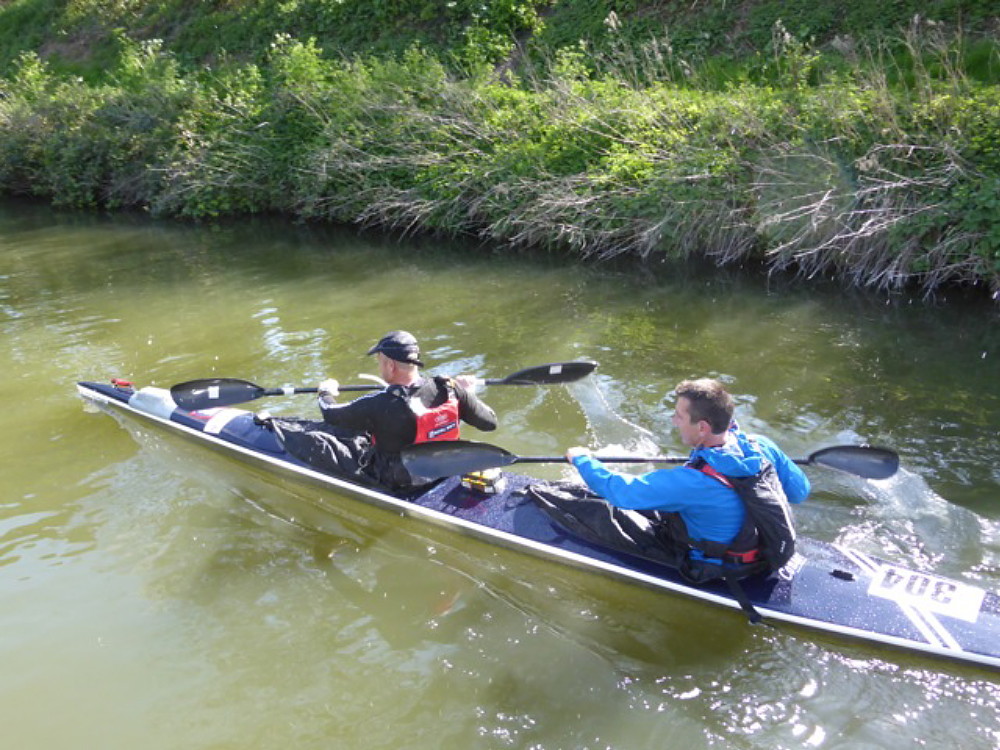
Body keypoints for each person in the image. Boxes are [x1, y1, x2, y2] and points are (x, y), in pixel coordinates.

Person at [557, 378, 810, 585]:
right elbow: (799, 492)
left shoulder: (691, 482)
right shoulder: (761, 446)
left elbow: (622, 492)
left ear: (702, 427)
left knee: (597, 505)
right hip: (762, 550)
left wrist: (582, 459)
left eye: (679, 415)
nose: (673, 420)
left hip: (716, 567)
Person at [316, 330, 498, 490]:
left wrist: (325, 392)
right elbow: (490, 422)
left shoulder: (378, 403)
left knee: (346, 441)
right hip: (446, 470)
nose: (379, 368)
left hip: (402, 483)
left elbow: (331, 413)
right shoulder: (450, 388)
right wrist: (469, 394)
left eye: (380, 362)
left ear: (390, 365)